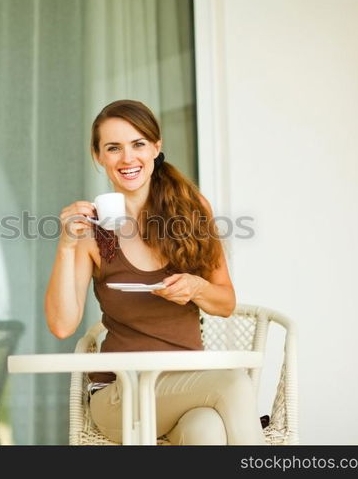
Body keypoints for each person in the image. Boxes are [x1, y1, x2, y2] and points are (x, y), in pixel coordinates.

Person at [44, 99, 266, 445]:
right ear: (99, 156)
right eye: (113, 148)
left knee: (205, 430)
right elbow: (61, 325)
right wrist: (65, 245)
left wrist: (196, 287)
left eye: (138, 144)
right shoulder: (91, 230)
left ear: (156, 147)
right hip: (122, 393)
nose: (127, 158)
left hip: (187, 385)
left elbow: (224, 304)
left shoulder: (192, 210)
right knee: (234, 382)